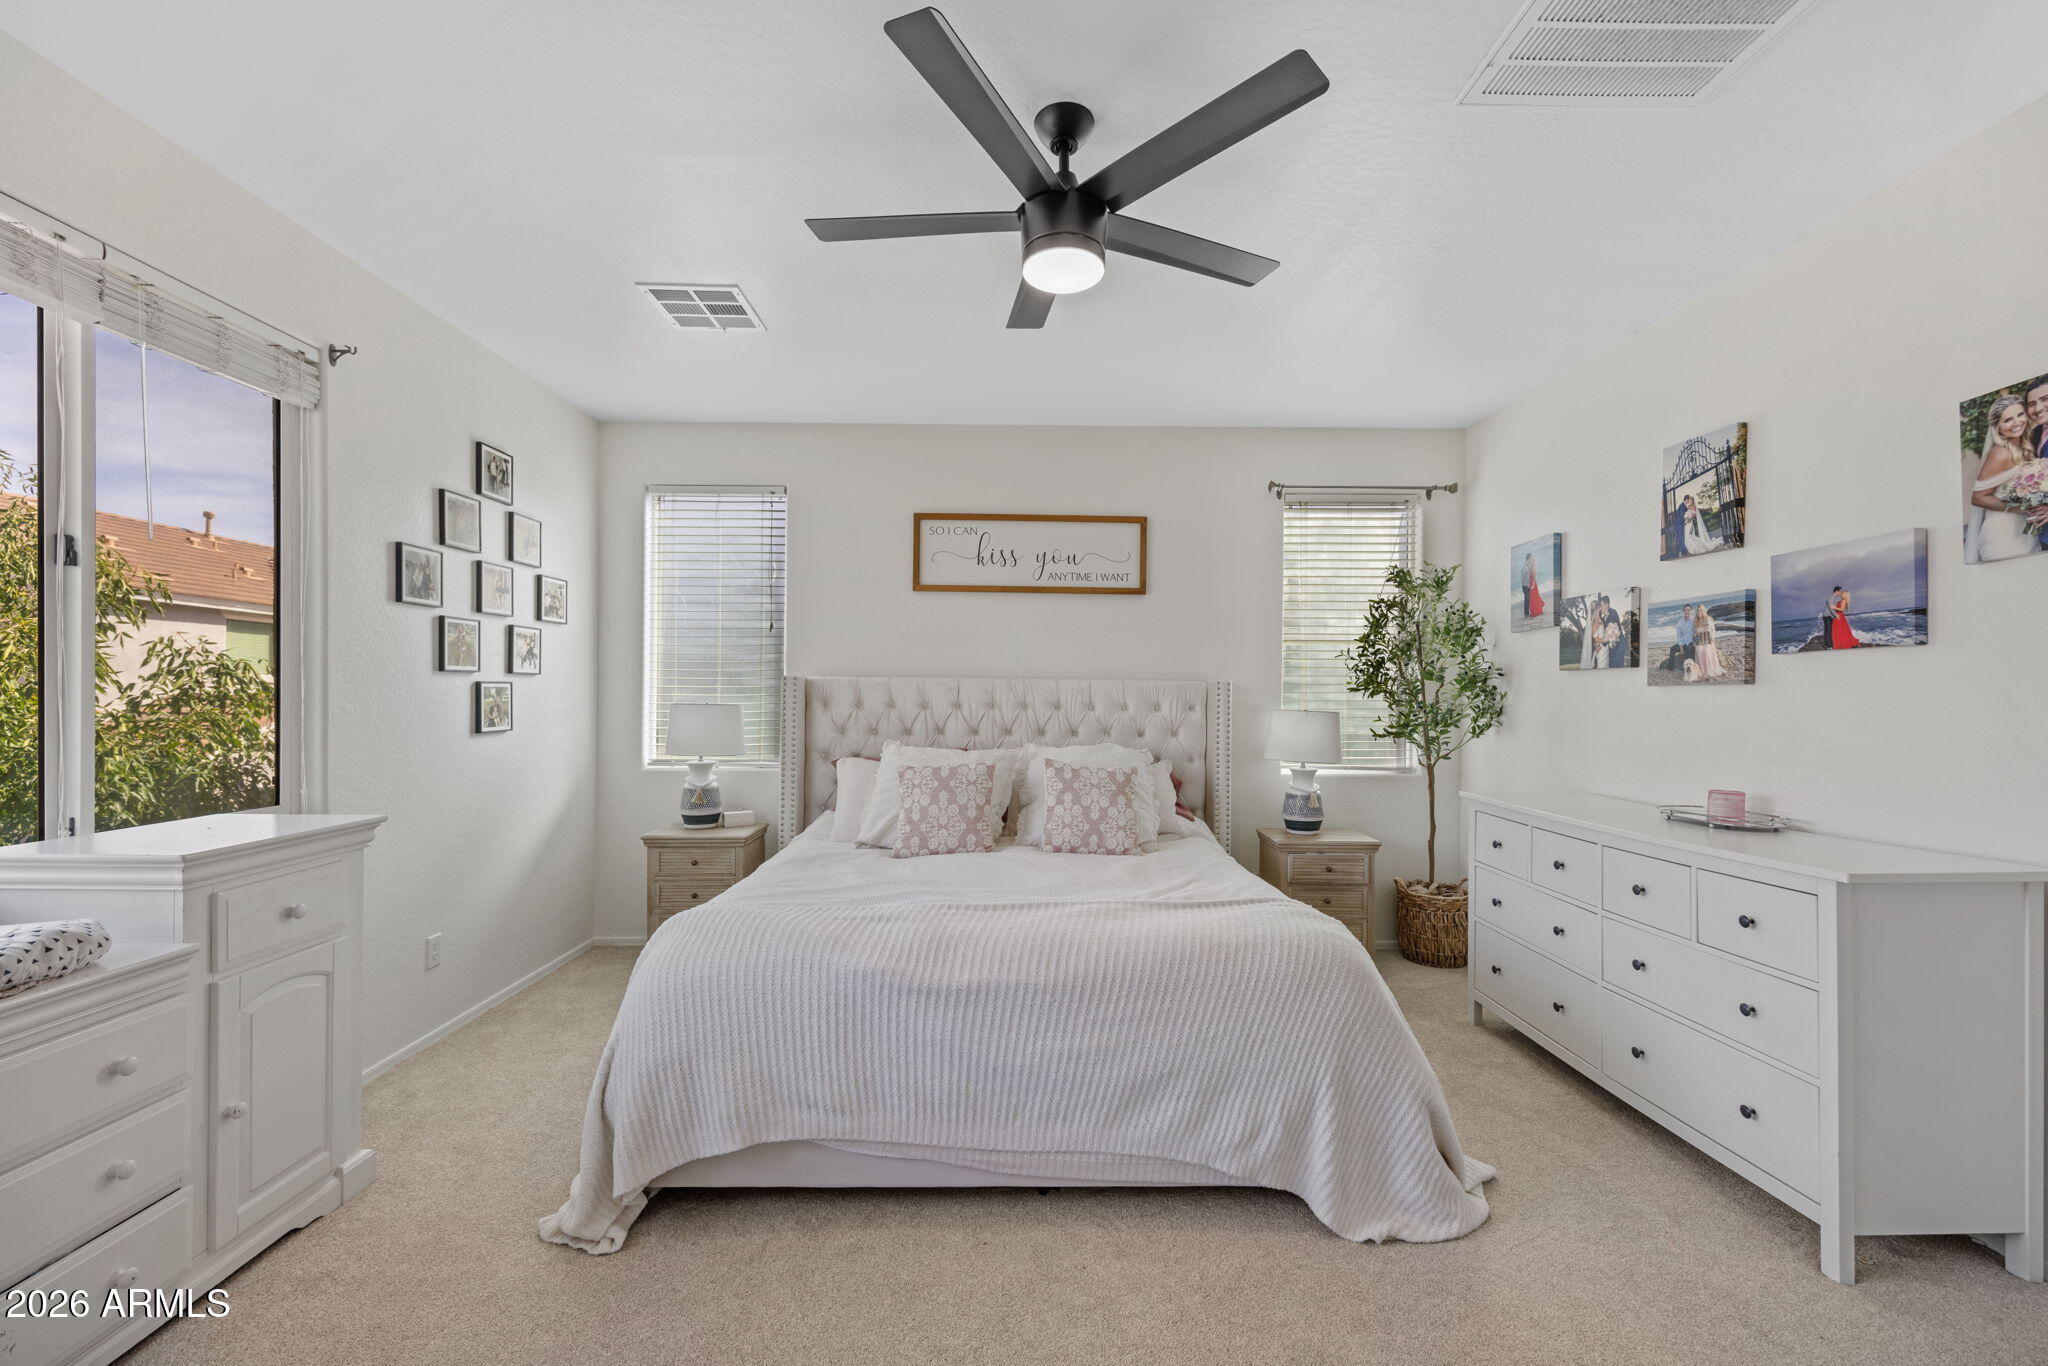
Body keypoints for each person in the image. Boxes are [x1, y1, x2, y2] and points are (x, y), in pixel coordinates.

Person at [1972, 394, 2045, 561]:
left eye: (2020, 414)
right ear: (1997, 426)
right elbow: (1978, 498)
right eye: (2008, 420)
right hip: (2002, 535)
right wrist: (2021, 508)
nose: (2017, 422)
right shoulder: (2000, 453)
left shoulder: (2026, 446)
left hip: (2024, 532)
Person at [1694, 604, 1726, 680]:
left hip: (1708, 641)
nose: (1699, 612)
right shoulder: (1696, 621)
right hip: (1700, 641)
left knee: (1705, 650)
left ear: (1704, 611)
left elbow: (1713, 630)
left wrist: (1712, 639)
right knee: (1698, 649)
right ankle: (1702, 671)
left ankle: (1708, 671)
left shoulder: (1708, 619)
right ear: (1696, 612)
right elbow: (1695, 633)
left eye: (1701, 610)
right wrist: (1695, 641)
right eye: (1698, 611)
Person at [1522, 553, 1546, 621]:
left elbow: (1534, 577)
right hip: (1530, 584)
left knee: (1534, 598)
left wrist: (1532, 585)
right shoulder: (1530, 567)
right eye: (1531, 560)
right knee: (1533, 598)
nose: (1531, 561)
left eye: (1532, 560)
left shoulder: (1533, 567)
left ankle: (1537, 612)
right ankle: (1535, 612)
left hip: (1533, 585)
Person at [1675, 603, 1696, 668]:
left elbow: (1697, 631)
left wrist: (1695, 642)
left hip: (1692, 642)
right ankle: (1670, 668)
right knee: (1672, 649)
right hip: (1683, 643)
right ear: (1683, 611)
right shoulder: (1679, 622)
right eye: (1686, 610)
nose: (1687, 611)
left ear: (1690, 611)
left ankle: (1690, 667)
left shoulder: (1693, 620)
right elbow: (1678, 636)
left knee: (1689, 650)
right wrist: (1680, 647)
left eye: (1689, 610)